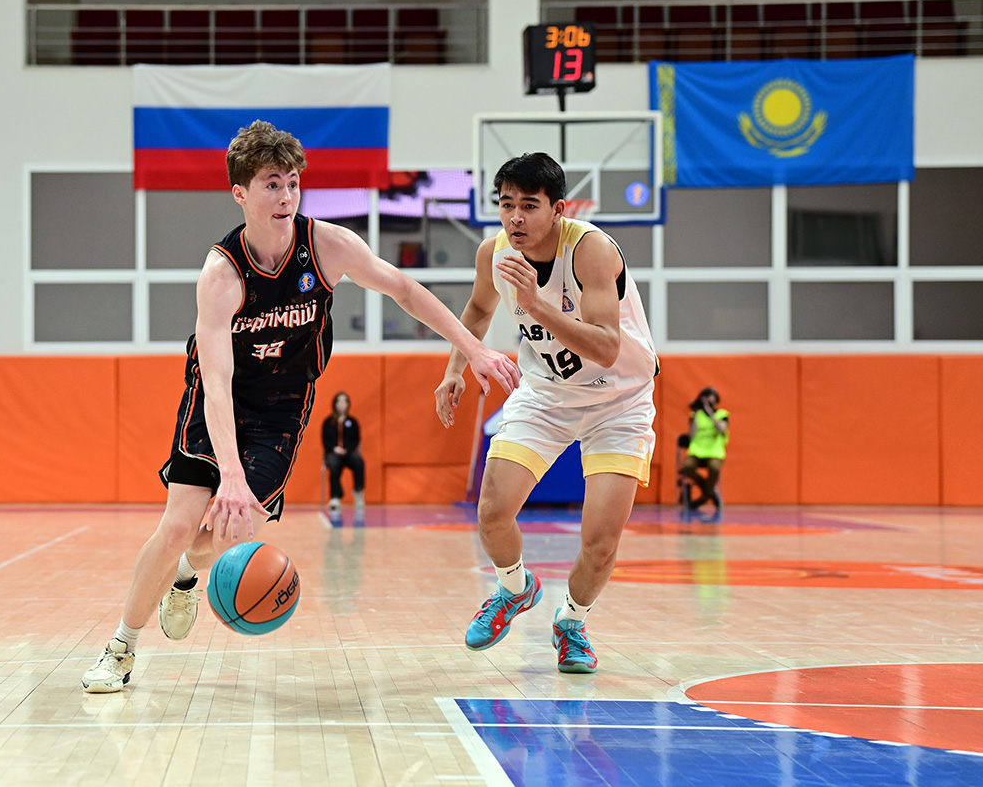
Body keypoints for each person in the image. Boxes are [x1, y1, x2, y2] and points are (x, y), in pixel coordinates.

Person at [82, 120, 520, 693]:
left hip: (283, 406)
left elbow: (406, 291)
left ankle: (185, 575)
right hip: (218, 398)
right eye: (271, 184)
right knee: (179, 525)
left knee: (230, 530)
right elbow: (217, 381)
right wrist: (229, 475)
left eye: (292, 183)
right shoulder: (222, 275)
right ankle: (121, 647)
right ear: (240, 193)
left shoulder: (328, 246)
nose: (286, 196)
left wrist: (475, 349)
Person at [434, 152, 657, 674]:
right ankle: (515, 589)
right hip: (547, 395)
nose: (515, 217)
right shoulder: (494, 253)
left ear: (558, 209)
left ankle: (571, 623)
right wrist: (456, 367)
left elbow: (606, 347)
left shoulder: (591, 251)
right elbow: (479, 309)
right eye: (506, 204)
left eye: (529, 206)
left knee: (600, 544)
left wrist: (536, 306)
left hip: (618, 401)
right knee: (493, 512)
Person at [681, 387, 729, 510]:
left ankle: (704, 497)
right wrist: (696, 414)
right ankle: (711, 492)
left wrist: (710, 413)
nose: (707, 399)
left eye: (709, 396)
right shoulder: (696, 415)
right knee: (687, 467)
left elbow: (722, 429)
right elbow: (691, 435)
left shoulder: (722, 414)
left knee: (714, 468)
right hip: (697, 451)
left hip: (714, 452)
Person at [321, 391, 365, 512]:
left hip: (348, 453)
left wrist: (347, 449)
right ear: (335, 404)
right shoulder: (328, 422)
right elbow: (325, 440)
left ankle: (358, 490)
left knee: (359, 462)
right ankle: (335, 496)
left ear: (348, 404)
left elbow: (356, 440)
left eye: (344, 402)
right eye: (339, 402)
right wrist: (334, 448)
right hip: (333, 452)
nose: (341, 404)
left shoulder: (352, 422)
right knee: (333, 464)